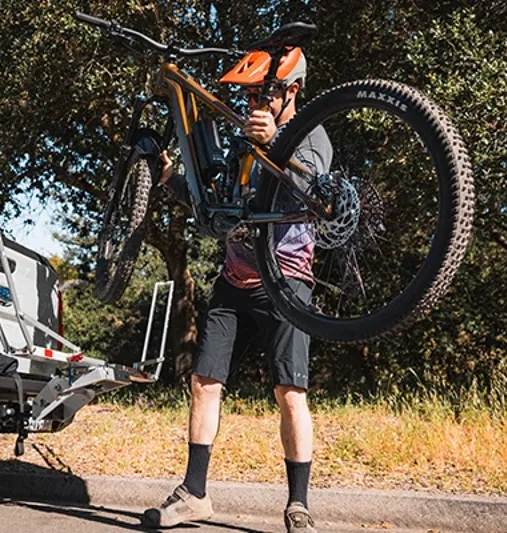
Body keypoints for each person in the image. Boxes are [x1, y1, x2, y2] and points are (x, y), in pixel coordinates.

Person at [141, 47, 332, 533]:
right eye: (248, 94)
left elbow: (313, 194)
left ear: (291, 92)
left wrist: (276, 145)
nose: (252, 102)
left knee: (290, 391)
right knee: (204, 382)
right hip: (233, 279)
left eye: (261, 94)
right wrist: (168, 176)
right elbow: (222, 202)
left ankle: (299, 505)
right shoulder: (242, 140)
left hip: (286, 280)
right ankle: (194, 494)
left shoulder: (310, 133)